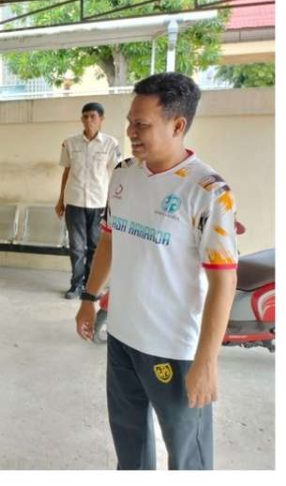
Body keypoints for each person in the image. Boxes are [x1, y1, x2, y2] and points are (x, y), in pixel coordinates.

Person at [75, 73, 238, 470]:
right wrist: (89, 298)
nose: (130, 131)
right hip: (122, 339)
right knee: (130, 450)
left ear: (177, 125)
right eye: (130, 121)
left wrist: (207, 361)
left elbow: (223, 279)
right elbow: (110, 241)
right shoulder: (124, 174)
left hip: (175, 350)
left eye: (142, 124)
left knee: (188, 458)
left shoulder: (207, 190)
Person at [56, 102, 121, 299]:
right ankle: (76, 285)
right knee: (76, 247)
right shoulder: (70, 143)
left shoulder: (111, 144)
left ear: (101, 119)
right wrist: (61, 200)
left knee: (95, 246)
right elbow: (67, 171)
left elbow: (116, 174)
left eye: (93, 116)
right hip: (74, 201)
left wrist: (115, 203)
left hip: (99, 203)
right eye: (85, 116)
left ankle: (91, 286)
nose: (88, 120)